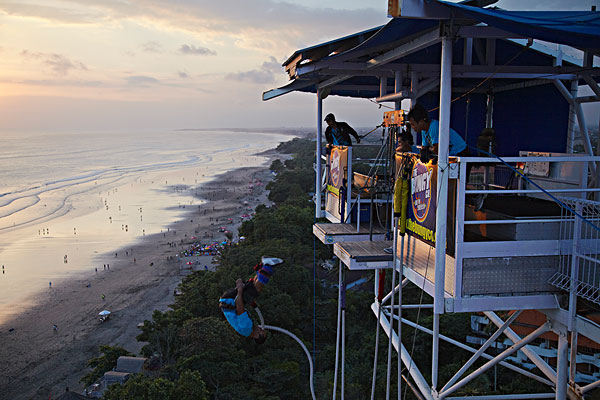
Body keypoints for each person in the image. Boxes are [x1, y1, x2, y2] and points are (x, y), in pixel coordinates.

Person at [218, 257, 283, 343]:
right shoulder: (247, 330)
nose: (260, 327)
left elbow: (239, 309)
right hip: (228, 301)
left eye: (261, 330)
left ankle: (267, 266)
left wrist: (240, 290)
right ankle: (263, 266)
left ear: (257, 335)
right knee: (253, 288)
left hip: (229, 300)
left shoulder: (246, 328)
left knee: (255, 291)